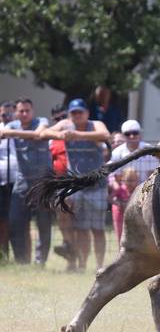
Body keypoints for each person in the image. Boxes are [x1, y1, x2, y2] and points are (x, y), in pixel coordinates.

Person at [41, 98, 111, 271]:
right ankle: (82, 265)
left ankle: (100, 267)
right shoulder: (65, 124)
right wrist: (59, 135)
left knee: (98, 229)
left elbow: (105, 135)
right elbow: (43, 133)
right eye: (74, 113)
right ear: (70, 115)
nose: (77, 115)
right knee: (81, 229)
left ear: (87, 113)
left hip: (97, 185)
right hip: (76, 185)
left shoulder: (96, 124)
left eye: (80, 112)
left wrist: (77, 135)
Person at [2, 98, 51, 265]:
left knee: (43, 223)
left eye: (27, 110)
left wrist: (12, 133)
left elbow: (38, 134)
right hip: (22, 180)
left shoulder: (42, 121)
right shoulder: (12, 125)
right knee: (15, 221)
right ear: (16, 113)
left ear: (33, 111)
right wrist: (10, 132)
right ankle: (21, 261)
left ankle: (40, 262)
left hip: (43, 182)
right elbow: (2, 132)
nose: (24, 114)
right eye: (21, 111)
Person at [110, 119, 159, 184]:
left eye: (135, 133)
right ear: (123, 135)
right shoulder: (116, 153)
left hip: (145, 188)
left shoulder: (150, 151)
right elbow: (118, 179)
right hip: (125, 188)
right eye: (127, 134)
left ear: (140, 134)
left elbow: (153, 177)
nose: (132, 136)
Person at [0, 102, 18, 260]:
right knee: (2, 220)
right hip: (2, 182)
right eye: (4, 114)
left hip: (18, 181)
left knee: (18, 220)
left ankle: (22, 256)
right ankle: (3, 255)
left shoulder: (21, 129)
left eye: (11, 114)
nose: (7, 117)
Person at [109, 168, 139, 243]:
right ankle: (120, 249)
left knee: (134, 236)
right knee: (120, 235)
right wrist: (118, 203)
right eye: (128, 180)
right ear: (123, 179)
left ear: (137, 180)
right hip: (119, 215)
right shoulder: (120, 189)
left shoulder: (138, 190)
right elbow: (110, 198)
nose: (130, 183)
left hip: (133, 216)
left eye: (133, 180)